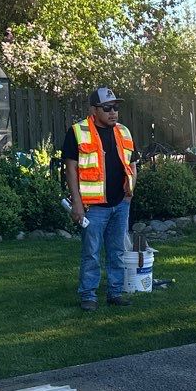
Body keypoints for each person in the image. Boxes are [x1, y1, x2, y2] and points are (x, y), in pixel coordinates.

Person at [64, 86, 136, 310]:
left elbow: (133, 162)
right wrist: (76, 203)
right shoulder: (77, 132)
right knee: (91, 253)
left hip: (120, 203)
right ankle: (88, 295)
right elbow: (71, 168)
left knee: (117, 251)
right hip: (93, 207)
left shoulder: (123, 131)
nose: (113, 112)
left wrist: (130, 193)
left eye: (115, 107)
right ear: (94, 110)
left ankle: (115, 292)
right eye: (107, 108)